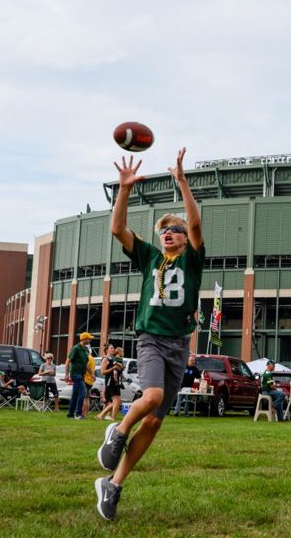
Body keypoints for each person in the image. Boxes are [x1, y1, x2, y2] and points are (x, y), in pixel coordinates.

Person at [95, 149, 205, 522]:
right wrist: (124, 189)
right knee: (152, 395)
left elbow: (195, 223)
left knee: (155, 421)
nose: (170, 235)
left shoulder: (192, 260)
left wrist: (182, 182)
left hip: (178, 344)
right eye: (164, 231)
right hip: (151, 339)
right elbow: (117, 230)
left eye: (175, 231)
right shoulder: (148, 258)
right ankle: (118, 428)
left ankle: (113, 484)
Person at [66, 332, 93, 420]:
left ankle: (70, 414)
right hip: (75, 373)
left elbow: (86, 364)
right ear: (84, 339)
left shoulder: (86, 350)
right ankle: (78, 414)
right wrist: (66, 374)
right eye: (89, 338)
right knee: (83, 392)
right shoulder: (76, 348)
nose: (90, 340)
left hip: (82, 374)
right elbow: (67, 362)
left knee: (75, 394)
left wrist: (92, 373)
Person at [97, 346, 123, 421]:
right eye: (111, 348)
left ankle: (110, 417)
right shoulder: (105, 359)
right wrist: (113, 368)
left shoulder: (113, 359)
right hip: (110, 381)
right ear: (106, 350)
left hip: (115, 381)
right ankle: (105, 415)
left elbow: (117, 369)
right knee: (116, 400)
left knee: (117, 400)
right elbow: (102, 372)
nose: (113, 349)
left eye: (113, 348)